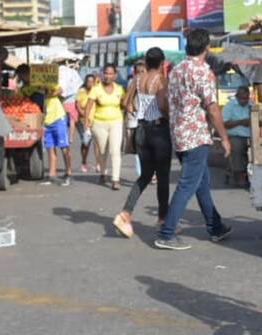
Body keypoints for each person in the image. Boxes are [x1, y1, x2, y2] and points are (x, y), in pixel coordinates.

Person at [155, 29, 233, 251]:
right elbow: (212, 108)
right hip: (196, 136)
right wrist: (224, 138)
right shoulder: (202, 71)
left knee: (201, 184)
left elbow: (166, 103)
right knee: (188, 184)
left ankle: (216, 227)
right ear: (207, 47)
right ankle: (167, 232)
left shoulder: (177, 70)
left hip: (180, 134)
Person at [113, 47, 171, 238]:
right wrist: (170, 117)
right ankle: (162, 219)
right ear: (162, 63)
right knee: (162, 177)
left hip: (141, 130)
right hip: (158, 130)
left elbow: (125, 103)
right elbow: (162, 105)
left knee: (145, 175)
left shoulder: (137, 80)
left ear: (146, 62)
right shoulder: (161, 80)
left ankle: (126, 213)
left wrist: (138, 111)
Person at [86, 63, 125, 190]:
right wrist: (86, 122)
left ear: (115, 75)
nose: (108, 76)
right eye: (106, 73)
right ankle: (102, 173)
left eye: (111, 73)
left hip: (116, 122)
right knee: (103, 151)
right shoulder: (96, 89)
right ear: (102, 74)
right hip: (99, 123)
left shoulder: (119, 89)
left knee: (115, 151)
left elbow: (124, 104)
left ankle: (115, 179)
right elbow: (88, 106)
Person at [41, 81, 72, 187]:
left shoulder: (51, 84)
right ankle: (51, 174)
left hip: (58, 119)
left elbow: (60, 90)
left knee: (64, 147)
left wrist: (50, 93)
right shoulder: (38, 89)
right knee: (50, 148)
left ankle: (68, 173)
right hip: (47, 121)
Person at [222, 85, 253, 188]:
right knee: (237, 147)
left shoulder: (251, 105)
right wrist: (240, 122)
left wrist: (252, 121)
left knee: (258, 148)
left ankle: (252, 174)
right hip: (235, 135)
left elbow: (260, 121)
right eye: (242, 99)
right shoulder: (229, 106)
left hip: (251, 135)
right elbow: (224, 123)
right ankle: (239, 175)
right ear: (237, 97)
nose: (244, 101)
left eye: (246, 98)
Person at [76, 73, 97, 173]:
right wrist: (84, 115)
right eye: (88, 81)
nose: (90, 83)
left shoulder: (96, 91)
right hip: (82, 120)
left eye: (92, 82)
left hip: (95, 119)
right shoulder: (81, 91)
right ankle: (84, 162)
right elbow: (77, 105)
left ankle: (98, 163)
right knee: (86, 142)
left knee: (98, 142)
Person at [59, 61, 84, 140]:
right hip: (72, 102)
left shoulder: (61, 74)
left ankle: (63, 138)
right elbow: (79, 86)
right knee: (72, 121)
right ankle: (71, 138)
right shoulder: (74, 75)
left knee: (62, 121)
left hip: (62, 102)